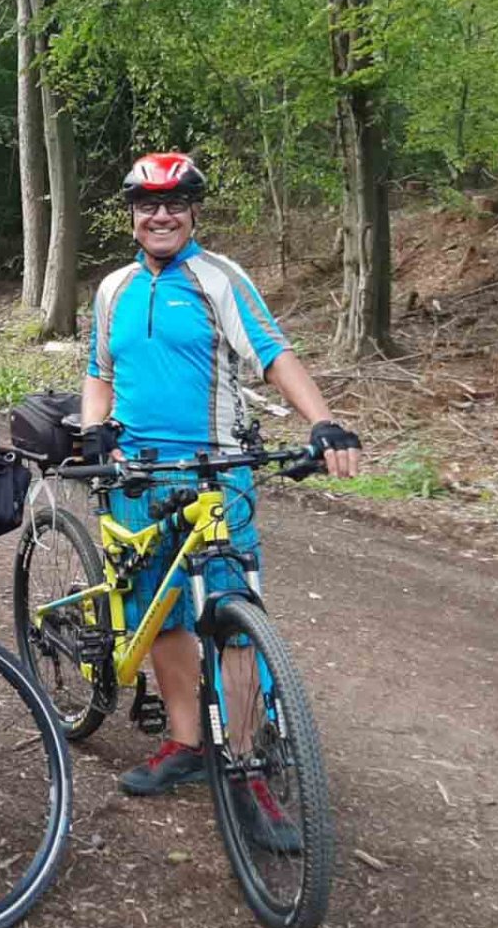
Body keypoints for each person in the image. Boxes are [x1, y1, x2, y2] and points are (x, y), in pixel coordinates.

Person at [79, 152, 360, 844]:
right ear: (133, 215)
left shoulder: (218, 278)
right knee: (158, 612)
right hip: (138, 476)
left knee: (232, 619)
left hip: (215, 472)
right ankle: (186, 742)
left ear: (194, 211)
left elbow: (273, 354)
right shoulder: (113, 288)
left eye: (176, 202)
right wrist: (93, 431)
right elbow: (98, 371)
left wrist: (321, 421)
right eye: (148, 204)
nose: (162, 214)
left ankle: (243, 762)